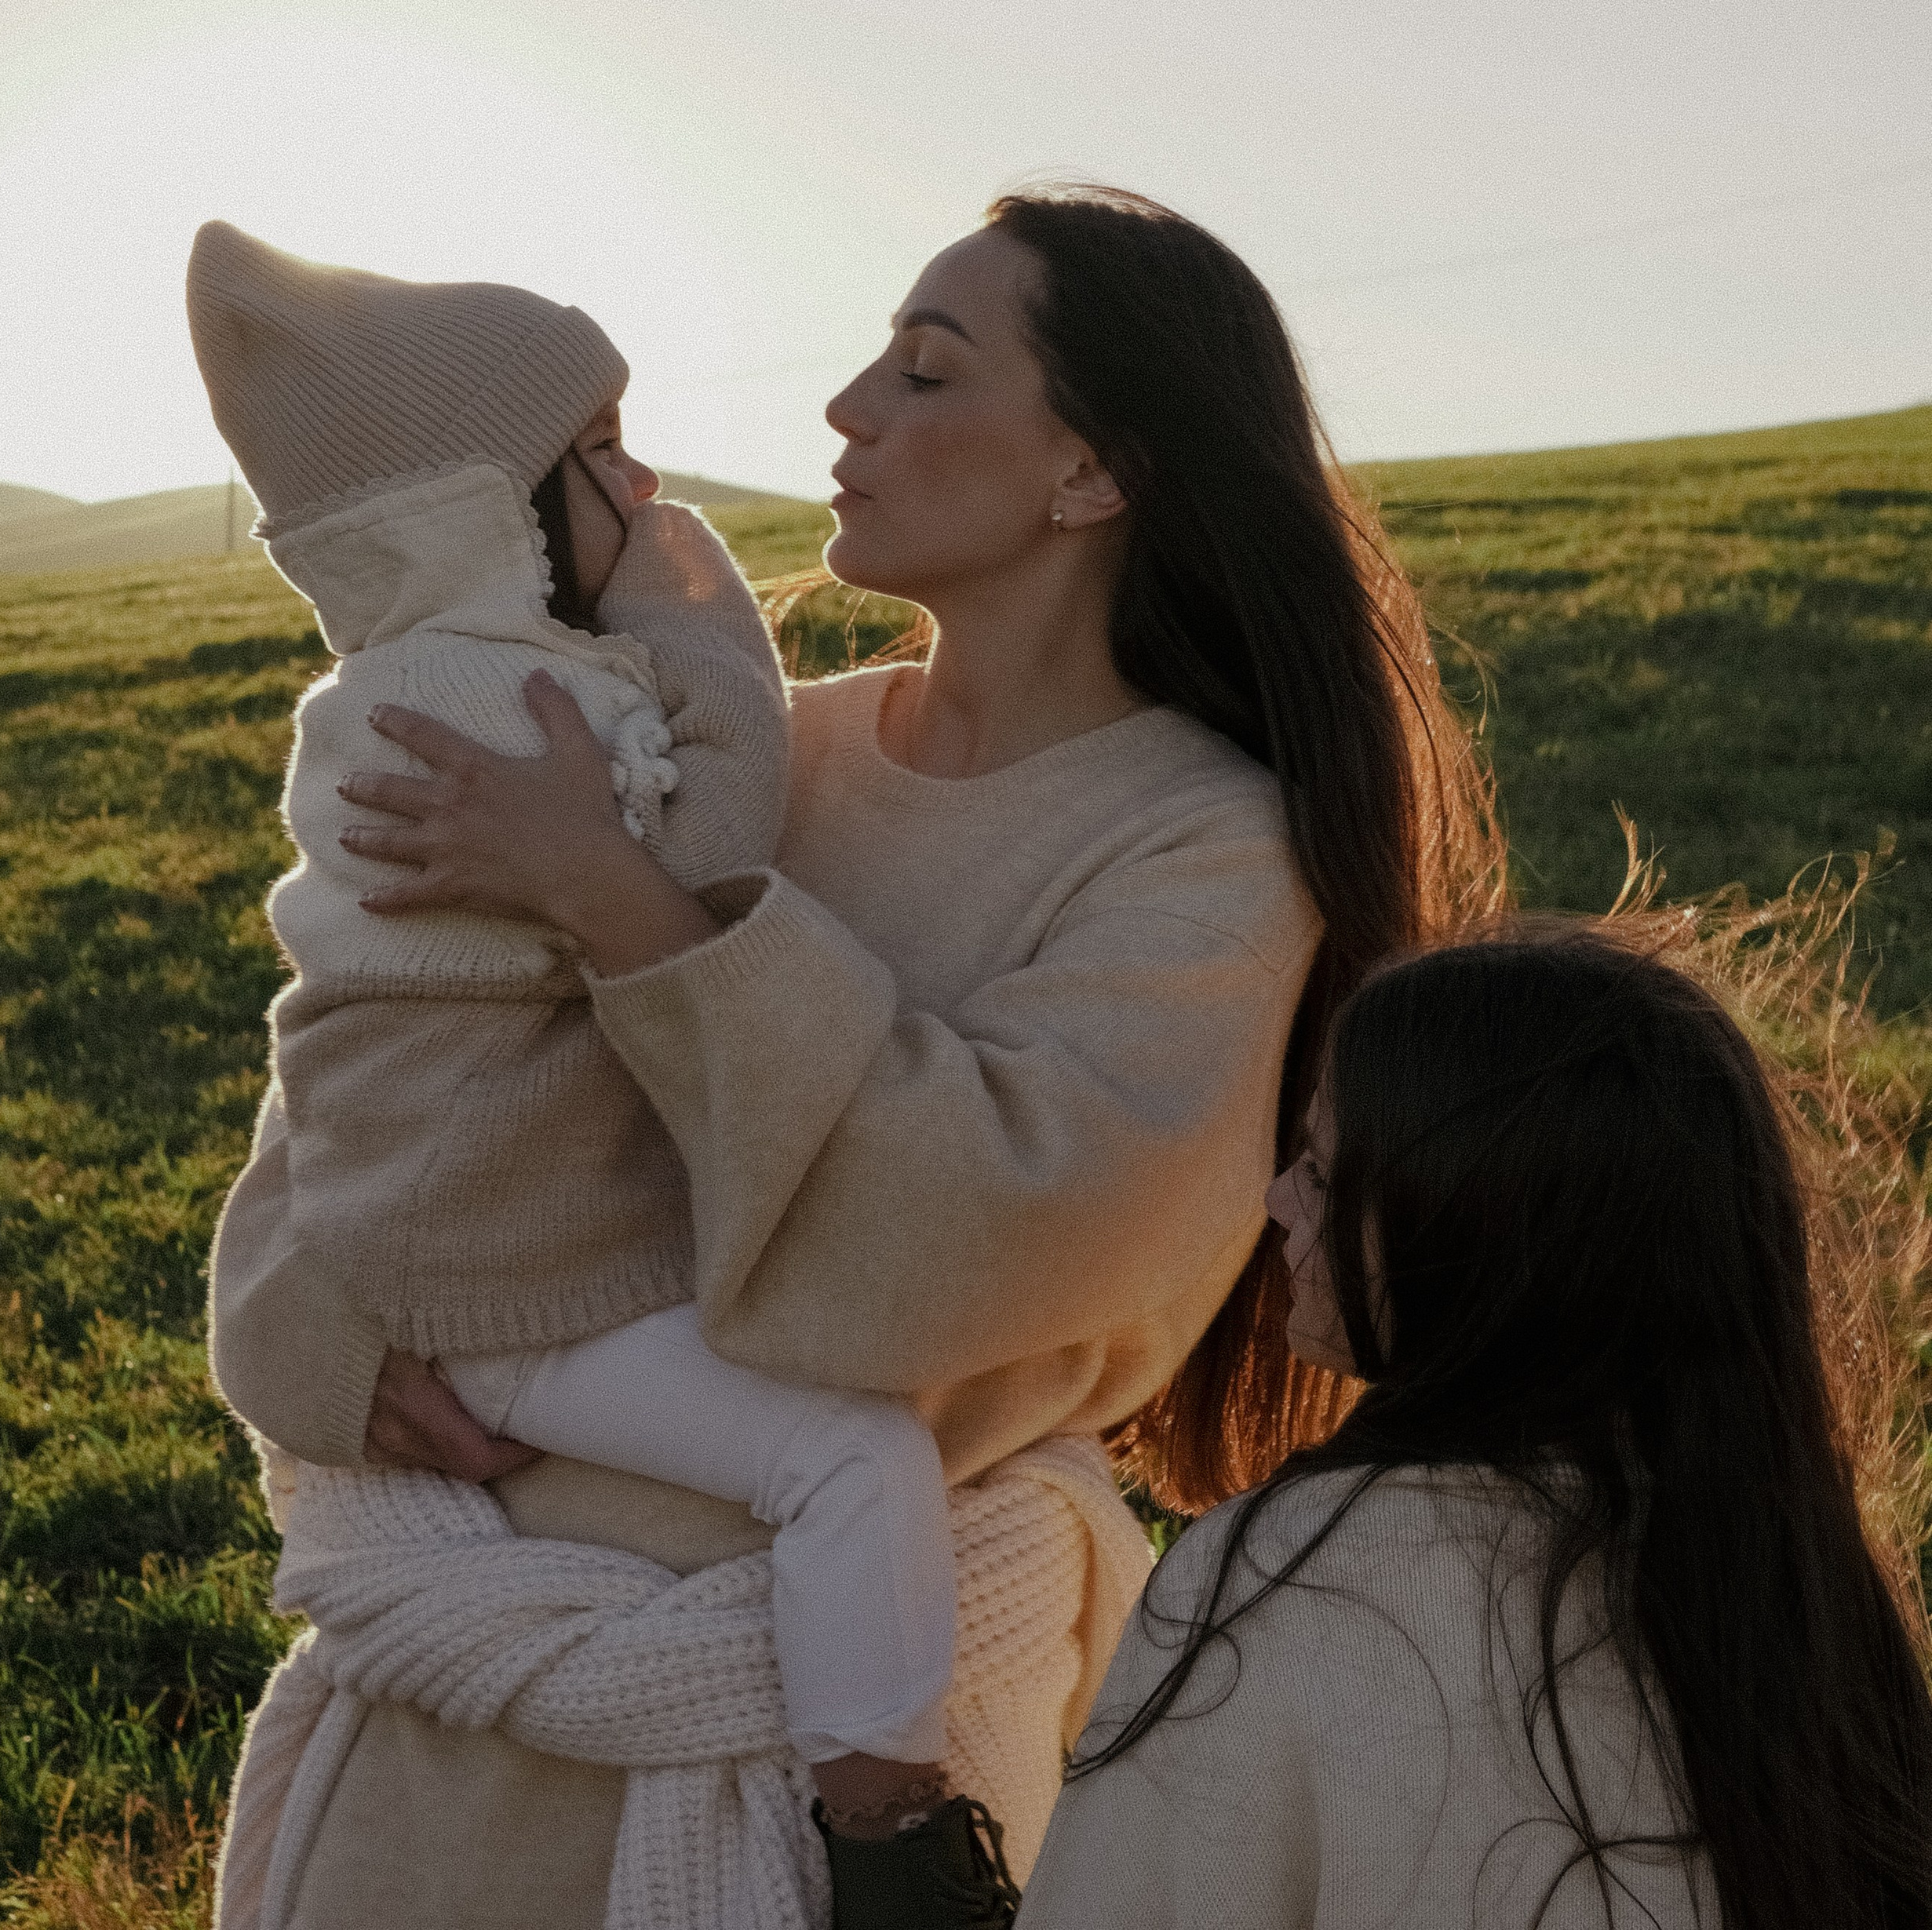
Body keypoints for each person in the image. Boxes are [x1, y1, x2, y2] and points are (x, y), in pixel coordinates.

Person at [203, 184, 1501, 1929]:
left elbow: (982, 1238)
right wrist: (314, 1331)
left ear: (1091, 472)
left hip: (838, 1790)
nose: (846, 408)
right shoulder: (746, 751)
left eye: (926, 371)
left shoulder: (1202, 851)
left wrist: (621, 903)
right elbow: (379, 1056)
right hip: (456, 1728)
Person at [185, 220, 1003, 1897]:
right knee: (852, 1460)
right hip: (518, 1290)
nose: (644, 486)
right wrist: (696, 607)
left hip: (466, 1258)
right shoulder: (506, 706)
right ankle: (897, 1851)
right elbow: (709, 831)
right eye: (604, 453)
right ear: (487, 512)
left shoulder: (396, 688)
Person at [1019, 927, 1932, 1930]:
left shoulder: (1281, 1581)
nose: (1277, 1200)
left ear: (1468, 1236)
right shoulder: (1811, 1610)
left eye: (1322, 1174)